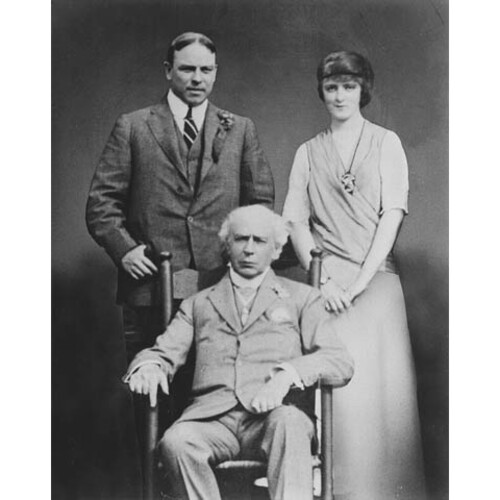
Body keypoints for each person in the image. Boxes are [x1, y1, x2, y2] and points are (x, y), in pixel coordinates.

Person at [124, 205, 354, 500]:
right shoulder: (198, 303)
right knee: (176, 442)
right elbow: (163, 351)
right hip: (212, 421)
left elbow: (338, 360)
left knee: (291, 423)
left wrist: (286, 376)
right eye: (241, 239)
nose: (249, 249)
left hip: (273, 418)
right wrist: (149, 366)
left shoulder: (301, 298)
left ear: (276, 249)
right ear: (227, 246)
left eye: (259, 240)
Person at [282, 51, 426, 499]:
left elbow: (392, 213)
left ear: (364, 89)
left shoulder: (386, 143)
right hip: (327, 291)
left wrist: (359, 283)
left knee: (383, 400)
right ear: (321, 92)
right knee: (338, 400)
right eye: (331, 87)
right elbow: (295, 221)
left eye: (349, 86)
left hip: (376, 286)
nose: (340, 95)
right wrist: (324, 281)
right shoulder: (308, 152)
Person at [86, 32, 274, 356]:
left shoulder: (241, 129)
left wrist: (243, 257)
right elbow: (101, 203)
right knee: (151, 380)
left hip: (222, 286)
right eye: (187, 69)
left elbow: (260, 207)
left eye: (206, 70)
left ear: (215, 72)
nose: (197, 78)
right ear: (168, 70)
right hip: (149, 288)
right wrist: (125, 250)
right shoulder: (133, 126)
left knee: (216, 382)